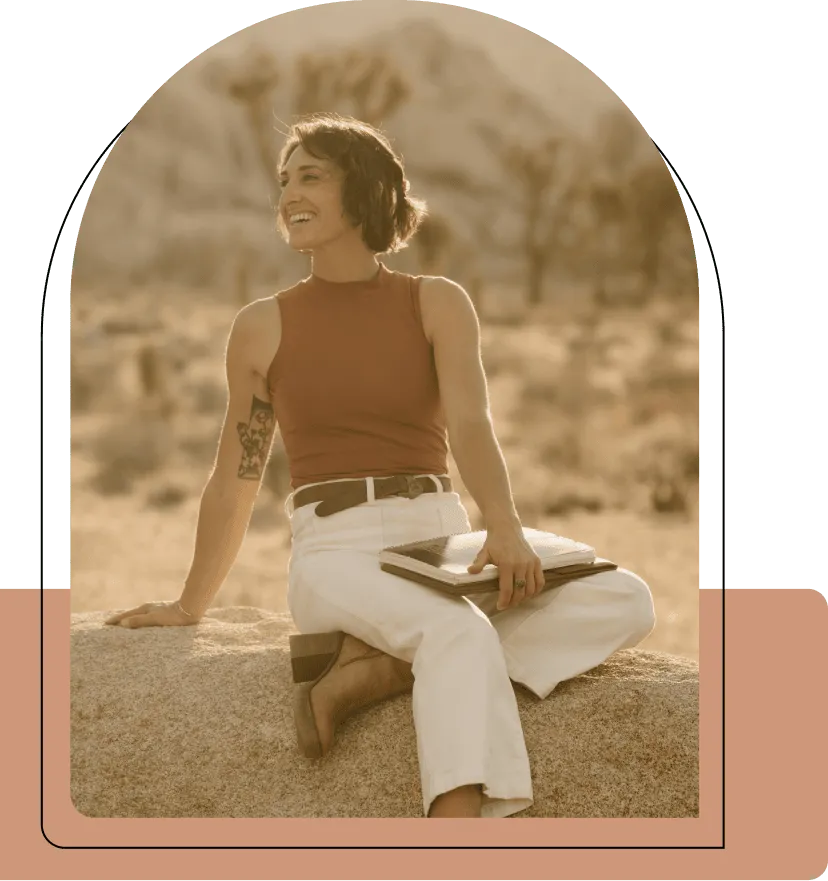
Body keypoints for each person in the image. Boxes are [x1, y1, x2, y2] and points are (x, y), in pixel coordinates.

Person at [105, 112, 656, 819]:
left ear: (363, 188)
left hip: (440, 537)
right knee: (456, 630)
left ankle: (371, 675)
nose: (289, 193)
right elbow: (237, 475)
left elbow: (471, 425)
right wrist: (189, 604)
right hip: (337, 549)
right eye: (283, 180)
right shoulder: (262, 325)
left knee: (624, 597)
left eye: (311, 175)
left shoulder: (437, 302)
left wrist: (506, 527)